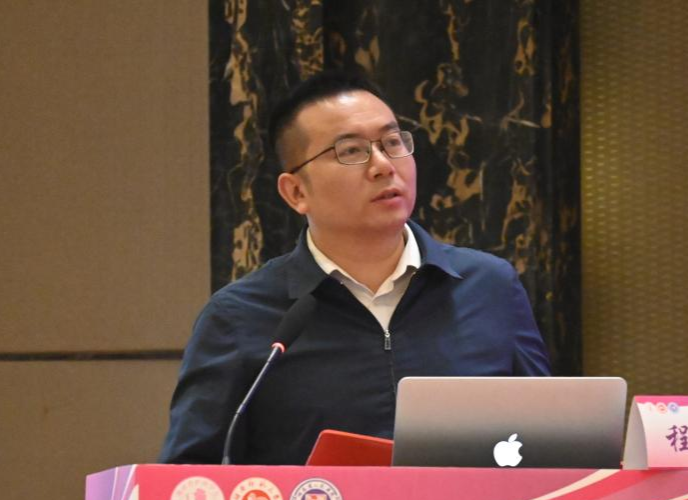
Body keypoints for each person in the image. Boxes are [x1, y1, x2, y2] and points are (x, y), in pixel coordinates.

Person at [159, 70, 550, 465]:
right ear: (296, 191)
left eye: (392, 142)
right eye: (350, 151)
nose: (383, 165)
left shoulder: (490, 287)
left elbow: (554, 446)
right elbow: (189, 481)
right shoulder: (240, 317)